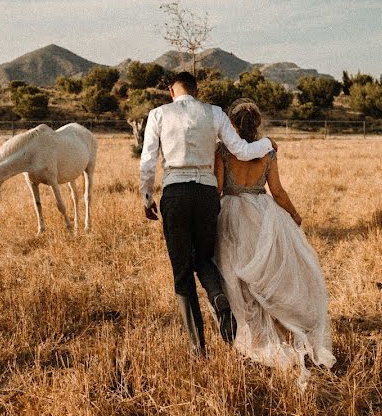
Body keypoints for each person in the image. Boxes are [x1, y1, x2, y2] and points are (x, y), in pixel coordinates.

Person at [139, 72, 275, 355]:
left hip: (176, 192)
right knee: (203, 257)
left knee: (182, 272)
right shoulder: (214, 113)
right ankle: (218, 297)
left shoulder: (159, 114)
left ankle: (197, 347)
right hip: (206, 194)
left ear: (171, 91)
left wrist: (147, 197)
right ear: (196, 90)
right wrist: (268, 145)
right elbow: (240, 150)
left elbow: (148, 159)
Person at [214, 99, 335, 387]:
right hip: (262, 215)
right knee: (269, 277)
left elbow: (218, 189)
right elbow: (278, 191)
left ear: (231, 124)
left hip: (232, 214)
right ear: (257, 125)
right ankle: (282, 331)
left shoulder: (223, 151)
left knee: (239, 280)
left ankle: (254, 339)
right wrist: (293, 214)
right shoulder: (268, 150)